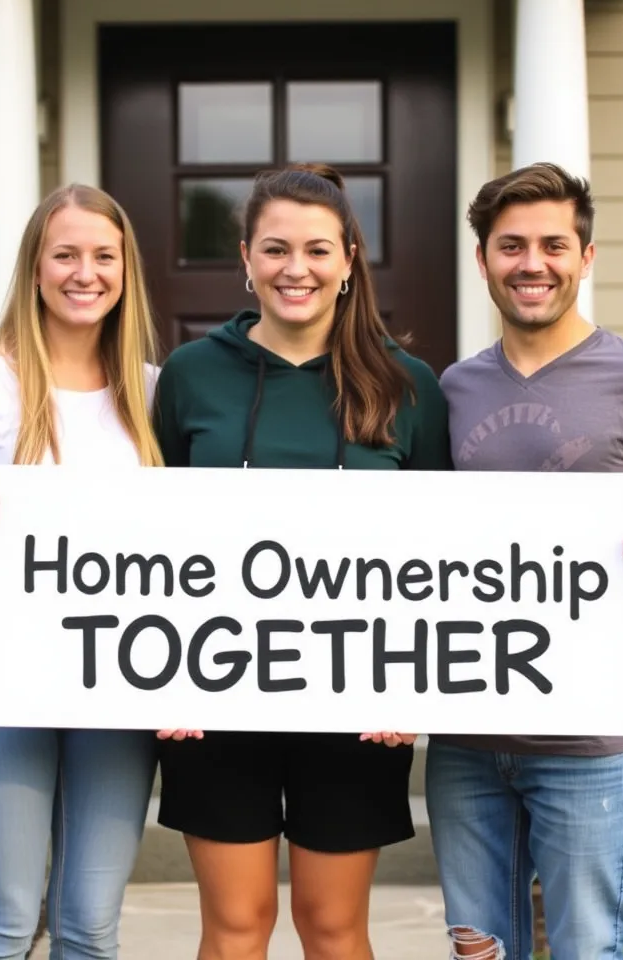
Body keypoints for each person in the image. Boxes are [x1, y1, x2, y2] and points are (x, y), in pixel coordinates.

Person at [426, 162, 623, 959]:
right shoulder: (451, 390)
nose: (533, 263)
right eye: (511, 246)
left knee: (585, 948)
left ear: (586, 257)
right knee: (479, 950)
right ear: (484, 259)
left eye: (553, 245)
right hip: (467, 738)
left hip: (590, 745)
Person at [152, 163, 452, 960]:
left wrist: (410, 683)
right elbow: (150, 539)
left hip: (354, 699)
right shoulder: (189, 377)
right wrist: (155, 674)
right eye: (276, 249)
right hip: (214, 691)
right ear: (245, 258)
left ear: (350, 259)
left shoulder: (407, 384)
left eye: (318, 250)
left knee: (331, 929)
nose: (297, 269)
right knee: (237, 928)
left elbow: (442, 552)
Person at [0, 183, 163, 960]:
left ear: (124, 270)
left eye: (102, 256)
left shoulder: (151, 393)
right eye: (65, 255)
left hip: (117, 663)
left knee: (89, 924)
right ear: (36, 267)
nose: (85, 273)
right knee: (4, 924)